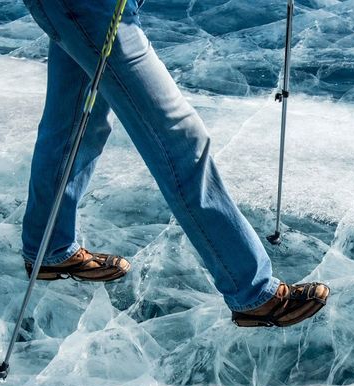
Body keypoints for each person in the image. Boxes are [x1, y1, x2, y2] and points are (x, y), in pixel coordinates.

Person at [20, 0, 329, 327]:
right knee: (178, 138)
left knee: (76, 121)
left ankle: (48, 246)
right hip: (93, 8)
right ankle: (253, 292)